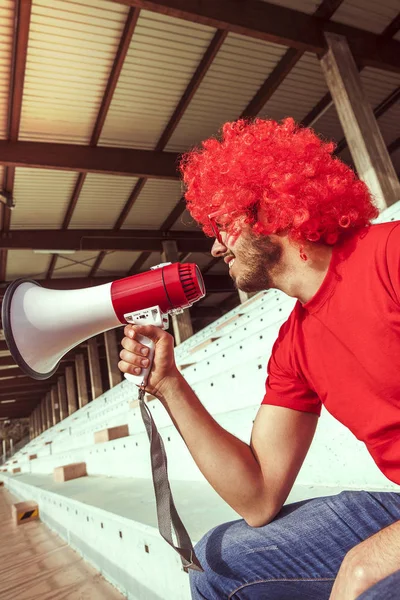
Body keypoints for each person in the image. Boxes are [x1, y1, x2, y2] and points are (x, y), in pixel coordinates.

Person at [118, 118, 400, 600]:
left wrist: (367, 560)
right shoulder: (295, 345)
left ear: (270, 207)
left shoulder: (390, 255)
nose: (214, 245)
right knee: (217, 563)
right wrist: (168, 384)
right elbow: (258, 498)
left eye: (224, 225)